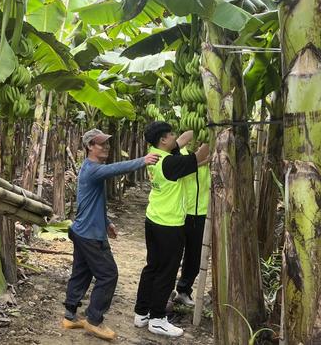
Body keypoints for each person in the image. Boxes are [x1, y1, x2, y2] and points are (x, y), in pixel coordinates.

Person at [62, 128, 160, 341]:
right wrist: (143, 160)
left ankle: (70, 315)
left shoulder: (92, 169)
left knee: (82, 271)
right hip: (89, 235)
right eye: (101, 144)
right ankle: (94, 320)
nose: (106, 147)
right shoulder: (93, 170)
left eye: (107, 143)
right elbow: (117, 168)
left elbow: (93, 202)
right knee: (108, 275)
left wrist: (107, 222)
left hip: (82, 230)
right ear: (90, 147)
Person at [133, 121, 209, 338]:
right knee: (166, 272)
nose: (176, 137)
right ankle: (157, 319)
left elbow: (183, 140)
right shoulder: (170, 164)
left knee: (152, 267)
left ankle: (141, 312)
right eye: (171, 134)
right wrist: (214, 132)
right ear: (163, 139)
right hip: (169, 224)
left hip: (153, 219)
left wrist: (200, 124)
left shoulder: (155, 154)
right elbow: (198, 156)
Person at [173, 136, 211, 307]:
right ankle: (166, 292)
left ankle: (183, 290)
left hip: (202, 213)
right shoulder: (177, 154)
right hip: (179, 213)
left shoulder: (214, 156)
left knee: (194, 257)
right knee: (172, 256)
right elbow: (185, 168)